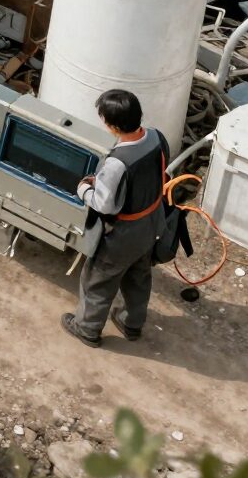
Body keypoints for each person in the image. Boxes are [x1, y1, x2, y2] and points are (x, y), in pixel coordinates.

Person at [62, 88, 169, 348]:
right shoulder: (157, 137)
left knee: (98, 280)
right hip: (152, 221)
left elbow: (104, 205)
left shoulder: (117, 163)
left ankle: (86, 328)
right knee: (139, 275)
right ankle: (131, 323)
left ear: (111, 126)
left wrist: (84, 189)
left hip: (123, 235)